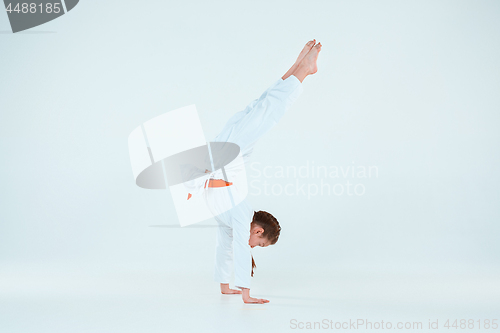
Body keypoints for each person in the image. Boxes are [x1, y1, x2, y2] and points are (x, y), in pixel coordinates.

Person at [209, 40, 322, 304]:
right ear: (258, 230)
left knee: (260, 108)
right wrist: (246, 294)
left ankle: (299, 66)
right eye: (259, 244)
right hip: (229, 152)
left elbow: (224, 248)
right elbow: (238, 248)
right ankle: (302, 69)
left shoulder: (231, 219)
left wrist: (225, 285)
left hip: (224, 153)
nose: (253, 247)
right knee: (265, 112)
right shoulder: (239, 213)